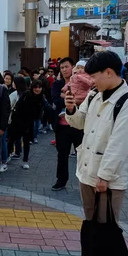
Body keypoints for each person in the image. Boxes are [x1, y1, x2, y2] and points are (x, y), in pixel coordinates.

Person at [65, 51, 128, 256]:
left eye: (95, 76)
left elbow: (119, 145)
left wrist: (104, 176)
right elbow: (80, 123)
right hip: (86, 171)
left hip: (107, 178)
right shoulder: (94, 95)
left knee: (108, 223)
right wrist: (71, 110)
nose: (91, 81)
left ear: (109, 73)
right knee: (91, 220)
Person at [51, 57, 84, 191]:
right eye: (62, 67)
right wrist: (71, 100)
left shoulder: (81, 82)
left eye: (67, 66)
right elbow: (55, 100)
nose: (64, 69)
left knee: (82, 154)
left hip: (79, 125)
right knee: (62, 154)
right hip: (62, 125)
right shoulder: (57, 84)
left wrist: (65, 97)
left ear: (73, 67)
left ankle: (84, 182)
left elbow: (85, 99)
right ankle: (61, 180)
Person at [7, 79, 47, 169]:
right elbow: (18, 105)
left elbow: (46, 107)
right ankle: (8, 155)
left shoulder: (41, 97)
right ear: (32, 87)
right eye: (36, 87)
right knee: (12, 139)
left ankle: (25, 161)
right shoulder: (26, 94)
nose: (37, 89)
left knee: (26, 142)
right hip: (18, 120)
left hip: (29, 122)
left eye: (39, 87)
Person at [9, 76, 28, 159]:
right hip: (24, 120)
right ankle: (19, 153)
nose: (12, 83)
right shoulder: (27, 93)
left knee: (12, 137)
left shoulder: (15, 94)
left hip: (15, 119)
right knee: (19, 137)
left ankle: (11, 152)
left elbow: (9, 106)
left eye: (13, 82)